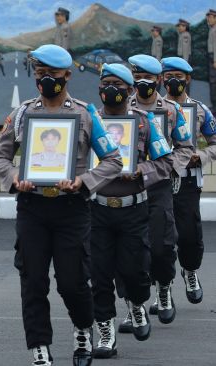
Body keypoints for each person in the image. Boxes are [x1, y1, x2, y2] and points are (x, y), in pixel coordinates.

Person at [0, 44, 122, 366]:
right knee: (33, 280)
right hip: (32, 207)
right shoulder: (22, 113)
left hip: (71, 209)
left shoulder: (85, 114)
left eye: (52, 74)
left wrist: (83, 181)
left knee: (72, 281)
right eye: (40, 74)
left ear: (67, 75)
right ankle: (39, 347)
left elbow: (113, 160)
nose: (45, 80)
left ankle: (82, 328)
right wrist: (14, 178)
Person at [91, 63, 171, 358]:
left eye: (117, 84)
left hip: (133, 210)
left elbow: (165, 162)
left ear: (129, 89)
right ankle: (105, 331)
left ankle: (137, 304)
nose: (110, 89)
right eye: (105, 83)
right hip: (97, 210)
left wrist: (140, 171)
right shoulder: (88, 121)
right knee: (98, 275)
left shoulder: (145, 122)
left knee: (135, 272)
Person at [117, 54, 192, 333]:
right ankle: (133, 307)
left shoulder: (172, 111)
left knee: (161, 248)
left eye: (147, 78)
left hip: (158, 186)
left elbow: (185, 148)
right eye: (136, 78)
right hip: (125, 187)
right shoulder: (123, 108)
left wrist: (165, 168)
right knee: (126, 253)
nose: (141, 83)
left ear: (159, 80)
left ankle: (163, 287)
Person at [162, 56, 215, 306]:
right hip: (158, 180)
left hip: (188, 180)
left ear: (188, 79)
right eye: (168, 76)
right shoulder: (151, 109)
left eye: (178, 77)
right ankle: (164, 286)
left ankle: (190, 271)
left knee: (189, 236)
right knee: (160, 238)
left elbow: (215, 143)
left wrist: (201, 156)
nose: (172, 81)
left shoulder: (200, 110)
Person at [206, 9, 216, 109]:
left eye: (210, 17)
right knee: (212, 81)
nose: (208, 19)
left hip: (214, 57)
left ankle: (214, 105)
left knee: (213, 82)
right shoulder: (212, 29)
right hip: (211, 57)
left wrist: (215, 60)